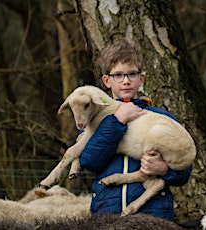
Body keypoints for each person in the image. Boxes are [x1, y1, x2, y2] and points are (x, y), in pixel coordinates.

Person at [79, 38, 192, 222]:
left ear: (141, 78)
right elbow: (90, 160)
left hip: (153, 215)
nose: (126, 81)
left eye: (132, 74)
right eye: (118, 75)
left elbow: (184, 168)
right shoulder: (95, 120)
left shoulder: (160, 118)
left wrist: (165, 169)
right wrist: (118, 120)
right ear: (106, 80)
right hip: (107, 215)